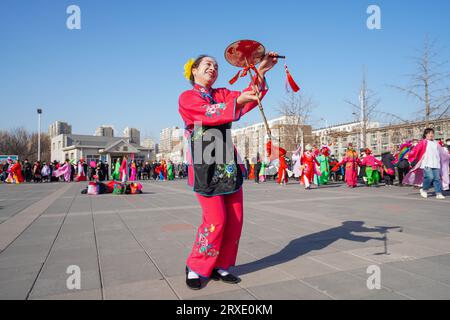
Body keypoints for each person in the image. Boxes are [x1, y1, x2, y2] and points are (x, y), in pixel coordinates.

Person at [179, 52, 277, 289]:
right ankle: (196, 265)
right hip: (205, 160)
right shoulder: (187, 97)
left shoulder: (222, 93)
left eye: (215, 65)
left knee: (235, 219)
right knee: (216, 220)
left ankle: (221, 264)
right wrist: (238, 101)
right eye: (207, 64)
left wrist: (261, 70)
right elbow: (209, 113)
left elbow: (251, 96)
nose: (213, 68)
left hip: (227, 159)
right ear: (194, 70)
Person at [403, 128, 447, 199]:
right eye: (429, 133)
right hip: (426, 163)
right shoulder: (423, 142)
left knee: (437, 179)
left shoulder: (436, 143)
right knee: (429, 177)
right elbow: (415, 150)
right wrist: (409, 155)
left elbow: (442, 152)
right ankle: (424, 190)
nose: (431, 134)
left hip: (436, 163)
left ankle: (438, 193)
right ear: (425, 134)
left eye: (432, 133)